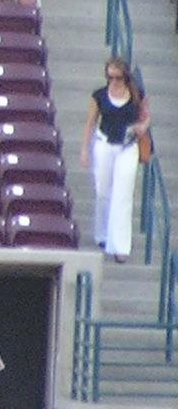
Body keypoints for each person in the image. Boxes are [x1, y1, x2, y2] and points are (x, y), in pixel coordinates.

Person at [81, 56, 151, 263]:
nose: (113, 81)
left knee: (123, 194)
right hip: (104, 144)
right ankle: (102, 233)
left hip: (127, 147)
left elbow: (146, 116)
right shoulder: (100, 96)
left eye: (118, 78)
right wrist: (85, 149)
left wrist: (143, 126)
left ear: (125, 78)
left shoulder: (137, 94)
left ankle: (120, 246)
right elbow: (90, 123)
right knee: (103, 190)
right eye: (109, 77)